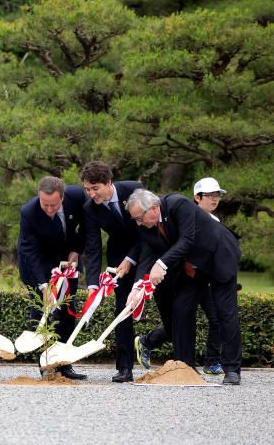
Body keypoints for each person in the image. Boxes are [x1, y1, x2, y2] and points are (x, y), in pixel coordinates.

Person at [125, 188, 242, 385]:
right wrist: (136, 288)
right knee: (181, 308)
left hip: (219, 256)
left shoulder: (178, 204)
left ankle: (232, 370)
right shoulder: (145, 225)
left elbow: (187, 239)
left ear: (153, 209)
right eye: (135, 219)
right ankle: (184, 366)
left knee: (225, 313)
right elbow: (147, 252)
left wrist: (160, 264)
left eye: (139, 218)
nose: (138, 223)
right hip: (192, 268)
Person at [136, 177, 226, 374]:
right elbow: (169, 247)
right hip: (183, 275)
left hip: (204, 277)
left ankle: (210, 361)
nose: (214, 199)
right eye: (210, 195)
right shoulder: (179, 214)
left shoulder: (215, 222)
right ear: (196, 197)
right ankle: (156, 347)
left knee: (216, 318)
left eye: (217, 195)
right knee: (179, 318)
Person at [18, 176, 88, 380]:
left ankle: (65, 363)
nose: (49, 209)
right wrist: (44, 285)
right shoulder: (28, 212)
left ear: (63, 198)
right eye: (44, 204)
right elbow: (30, 252)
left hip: (67, 261)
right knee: (43, 311)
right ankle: (45, 364)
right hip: (37, 263)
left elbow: (87, 227)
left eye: (53, 205)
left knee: (67, 309)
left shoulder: (77, 197)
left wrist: (76, 250)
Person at [79, 161, 142, 383]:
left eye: (95, 188)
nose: (91, 194)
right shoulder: (89, 208)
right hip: (118, 257)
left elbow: (145, 229)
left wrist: (131, 259)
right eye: (87, 189)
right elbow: (93, 247)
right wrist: (93, 285)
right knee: (122, 309)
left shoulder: (135, 190)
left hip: (147, 250)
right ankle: (124, 368)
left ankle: (171, 355)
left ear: (109, 183)